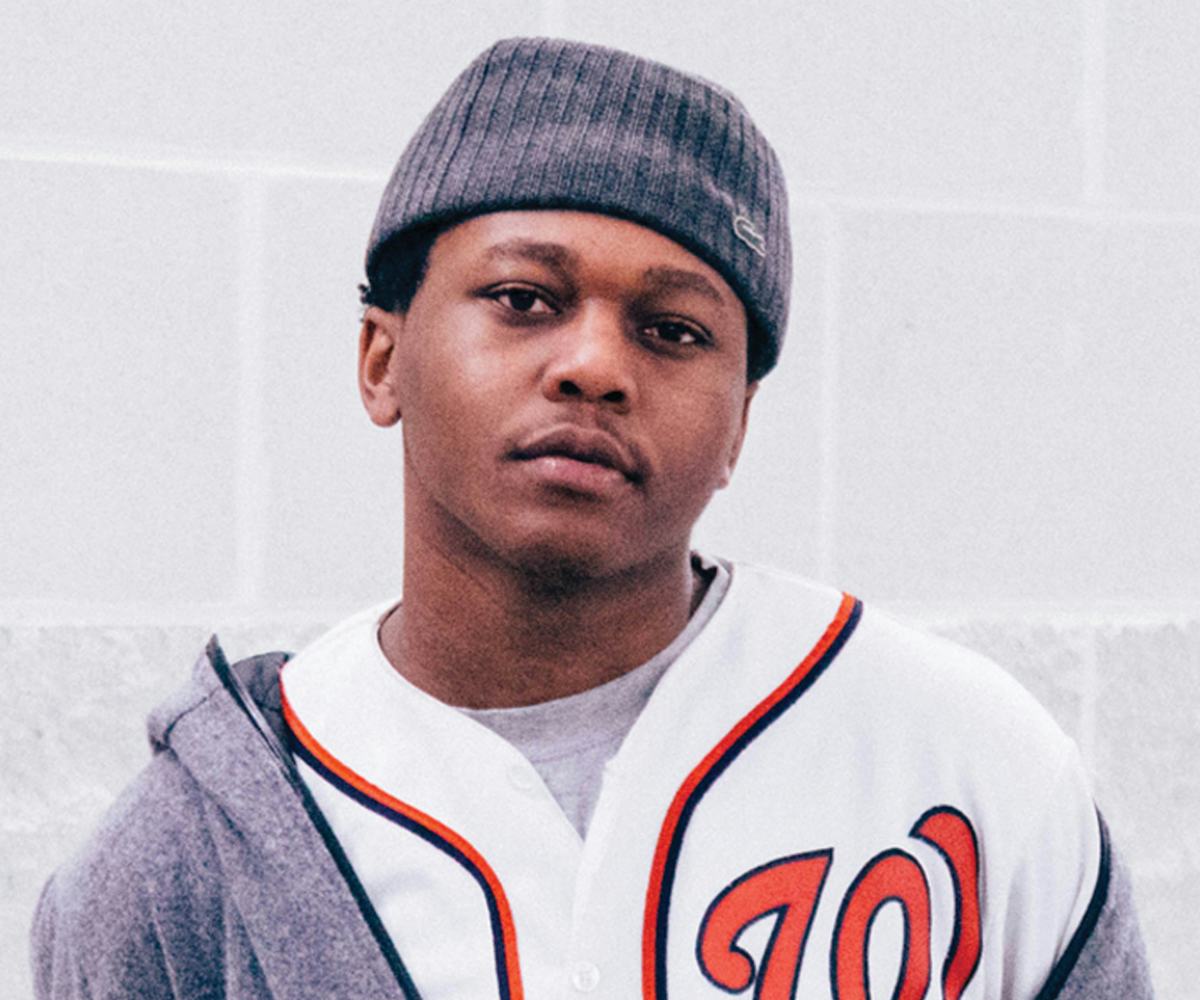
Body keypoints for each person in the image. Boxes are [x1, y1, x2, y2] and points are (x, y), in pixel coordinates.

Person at [31, 36, 1152, 1000]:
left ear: (740, 426)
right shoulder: (190, 859)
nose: (595, 366)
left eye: (672, 330)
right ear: (383, 358)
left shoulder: (963, 767)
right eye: (525, 299)